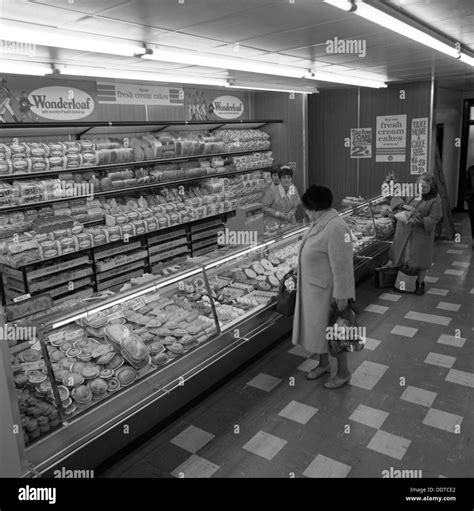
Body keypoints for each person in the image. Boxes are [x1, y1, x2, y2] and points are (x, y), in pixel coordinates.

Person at [291, 185, 355, 389]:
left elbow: (343, 265)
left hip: (330, 293)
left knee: (339, 333)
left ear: (315, 207)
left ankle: (344, 373)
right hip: (315, 291)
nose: (306, 213)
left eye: (307, 209)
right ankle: (324, 364)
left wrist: (343, 295)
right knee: (320, 331)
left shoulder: (336, 227)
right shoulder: (320, 222)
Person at [389, 173, 442, 295]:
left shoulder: (435, 198)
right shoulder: (410, 189)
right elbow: (396, 197)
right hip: (404, 230)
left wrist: (419, 220)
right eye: (419, 185)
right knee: (403, 256)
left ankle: (420, 283)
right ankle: (403, 282)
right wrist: (402, 206)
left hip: (421, 233)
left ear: (431, 187)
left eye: (424, 187)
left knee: (420, 260)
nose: (420, 189)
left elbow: (435, 218)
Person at [464, 165, 474, 248]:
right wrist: (467, 197)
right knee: (473, 220)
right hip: (472, 199)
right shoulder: (471, 170)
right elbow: (466, 184)